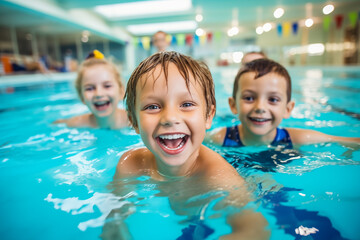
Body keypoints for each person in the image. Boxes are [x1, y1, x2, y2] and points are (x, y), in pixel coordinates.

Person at [106, 51, 269, 239]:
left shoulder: (219, 178)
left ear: (208, 116)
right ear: (133, 121)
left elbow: (255, 230)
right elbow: (114, 220)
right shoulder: (130, 165)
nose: (170, 118)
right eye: (152, 107)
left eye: (187, 104)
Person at [206, 58, 360, 148]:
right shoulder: (219, 138)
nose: (260, 107)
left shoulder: (297, 138)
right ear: (233, 105)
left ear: (288, 108)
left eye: (273, 100)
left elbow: (349, 142)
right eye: (249, 98)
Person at [54, 50, 129, 129]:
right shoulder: (76, 124)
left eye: (107, 86)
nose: (99, 94)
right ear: (81, 97)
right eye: (90, 88)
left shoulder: (133, 122)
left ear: (121, 92)